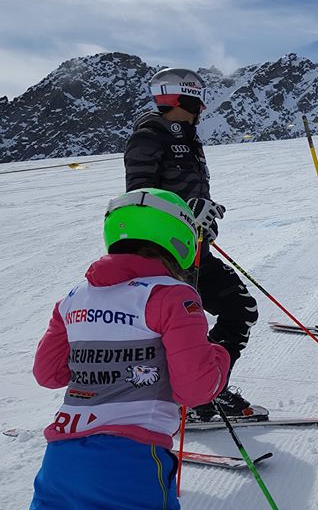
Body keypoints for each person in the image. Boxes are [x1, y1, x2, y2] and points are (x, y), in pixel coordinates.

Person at [31, 188, 231, 510]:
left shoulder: (73, 298)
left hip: (59, 463)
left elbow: (48, 373)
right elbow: (196, 390)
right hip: (131, 460)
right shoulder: (172, 295)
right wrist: (219, 354)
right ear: (178, 237)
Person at [124, 68, 260, 421]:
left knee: (240, 310)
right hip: (165, 258)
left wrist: (204, 220)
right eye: (198, 97)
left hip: (195, 250)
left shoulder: (188, 137)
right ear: (183, 97)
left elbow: (190, 195)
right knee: (183, 330)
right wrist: (184, 217)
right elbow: (140, 200)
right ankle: (188, 397)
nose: (203, 106)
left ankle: (203, 391)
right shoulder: (150, 136)